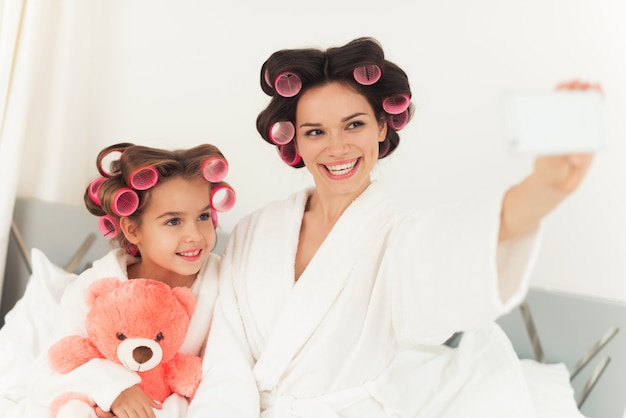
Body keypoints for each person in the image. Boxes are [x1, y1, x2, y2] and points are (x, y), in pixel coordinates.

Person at [187, 37, 594, 417]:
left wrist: (544, 187)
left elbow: (467, 242)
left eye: (354, 125)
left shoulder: (400, 238)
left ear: (381, 128)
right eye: (316, 132)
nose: (337, 147)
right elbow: (226, 357)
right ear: (296, 141)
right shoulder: (254, 232)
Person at [0, 142, 240, 418]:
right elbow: (51, 370)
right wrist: (114, 389)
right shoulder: (95, 286)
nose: (195, 235)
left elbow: (223, 382)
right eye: (173, 221)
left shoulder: (223, 286)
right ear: (132, 229)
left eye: (203, 216)